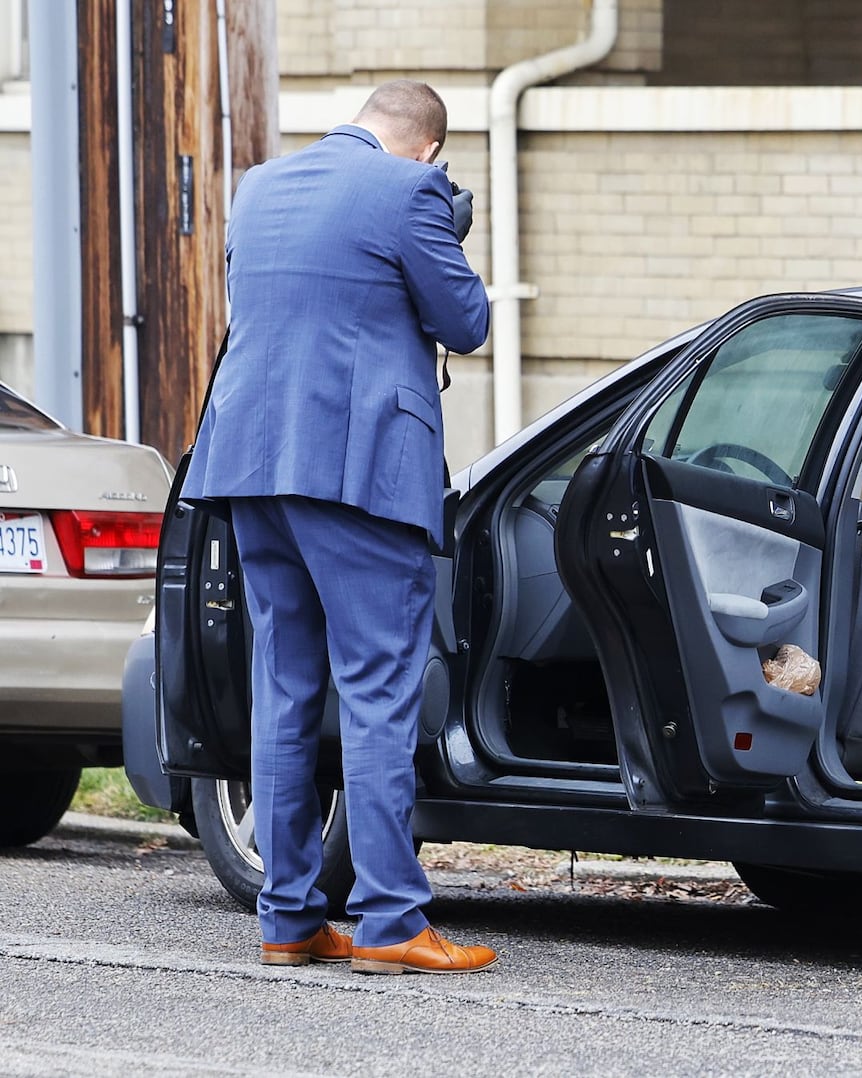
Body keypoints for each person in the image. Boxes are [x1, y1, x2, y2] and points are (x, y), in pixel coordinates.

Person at [184, 80, 496, 975]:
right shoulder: (411, 191)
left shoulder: (259, 185)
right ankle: (392, 918)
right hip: (358, 469)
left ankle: (287, 916)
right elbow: (464, 322)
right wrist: (450, 228)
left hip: (250, 460)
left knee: (282, 685)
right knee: (376, 688)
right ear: (428, 148)